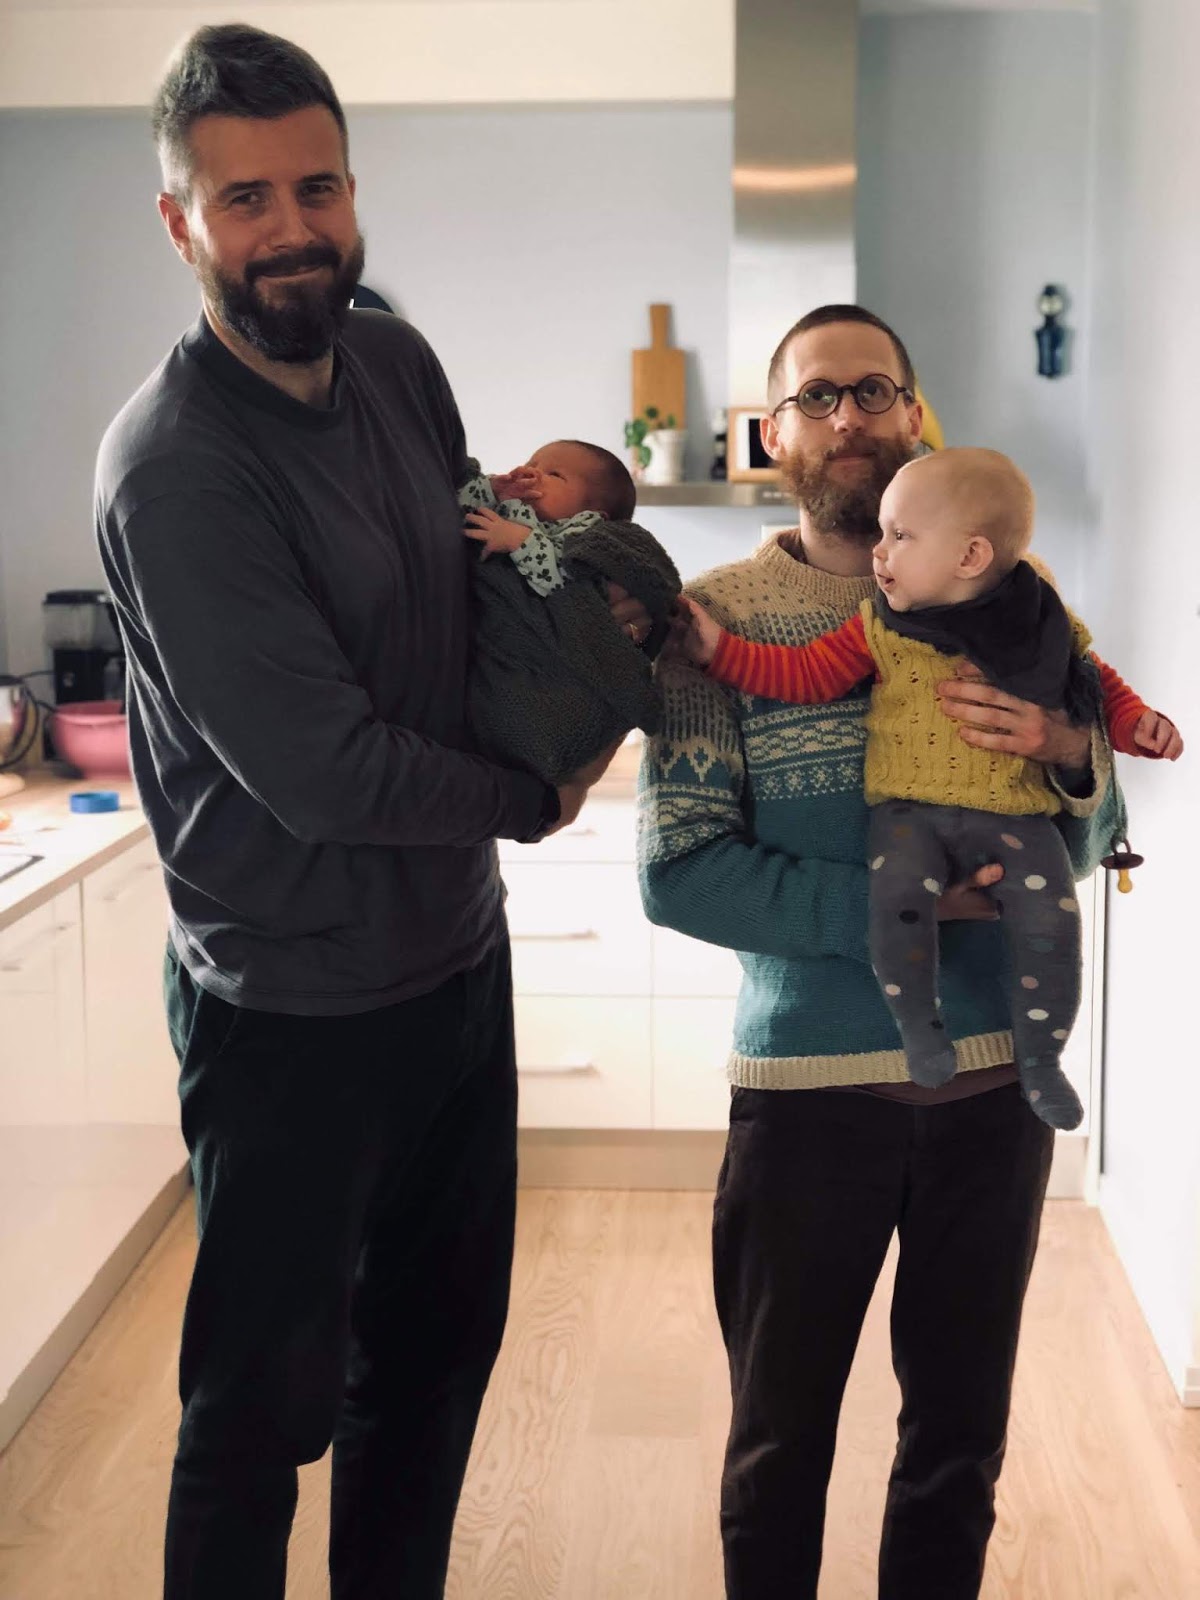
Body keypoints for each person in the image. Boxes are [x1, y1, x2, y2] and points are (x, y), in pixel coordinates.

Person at [94, 23, 651, 1600]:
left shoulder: (396, 361)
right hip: (289, 1013)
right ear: (181, 222)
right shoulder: (176, 467)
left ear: (352, 189)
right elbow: (325, 770)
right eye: (246, 199)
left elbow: (468, 567)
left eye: (317, 188)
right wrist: (534, 794)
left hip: (454, 968)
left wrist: (591, 608)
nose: (292, 229)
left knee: (431, 1373)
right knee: (258, 1417)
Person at [637, 303, 1124, 1599]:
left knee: (957, 1452)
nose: (847, 416)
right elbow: (678, 868)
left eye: (873, 391)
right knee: (776, 1451)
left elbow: (1089, 833)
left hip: (995, 1101)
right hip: (807, 1098)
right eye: (817, 396)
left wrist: (1071, 753)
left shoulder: (1014, 600)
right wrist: (901, 912)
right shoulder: (714, 623)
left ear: (915, 414)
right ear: (772, 433)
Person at [674, 445, 1182, 1128]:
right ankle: (920, 1032)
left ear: (970, 556)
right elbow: (802, 675)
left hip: (1016, 821)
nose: (879, 553)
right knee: (898, 904)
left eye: (900, 536)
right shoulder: (877, 624)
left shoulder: (1038, 615)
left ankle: (1043, 1060)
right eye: (883, 533)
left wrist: (1130, 726)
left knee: (1053, 926)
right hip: (910, 819)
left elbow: (1095, 681)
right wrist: (719, 652)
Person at [458, 438, 680, 784]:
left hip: (547, 671)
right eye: (531, 462)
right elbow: (460, 508)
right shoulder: (509, 509)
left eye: (554, 474)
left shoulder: (580, 534)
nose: (531, 473)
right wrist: (492, 489)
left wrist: (519, 541)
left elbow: (556, 579)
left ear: (593, 513)